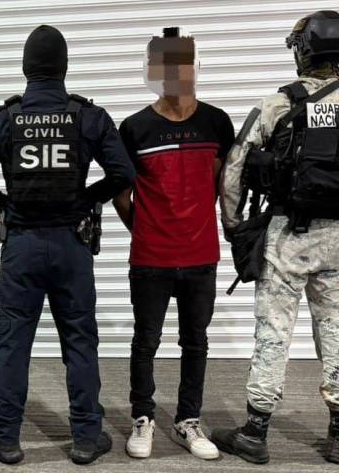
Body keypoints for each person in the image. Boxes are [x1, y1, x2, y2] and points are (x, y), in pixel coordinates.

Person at [0, 25, 136, 465]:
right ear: (64, 67)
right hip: (71, 244)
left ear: (26, 68)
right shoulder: (87, 116)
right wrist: (87, 199)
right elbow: (124, 174)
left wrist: (5, 205)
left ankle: (5, 438)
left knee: (13, 343)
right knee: (79, 341)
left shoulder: (5, 118)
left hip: (21, 244)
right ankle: (86, 438)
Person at [212, 10, 339, 465]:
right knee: (336, 329)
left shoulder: (278, 104)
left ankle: (255, 431)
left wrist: (233, 227)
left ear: (304, 51)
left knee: (274, 332)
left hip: (287, 235)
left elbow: (234, 168)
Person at [112, 27, 234, 460]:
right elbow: (121, 195)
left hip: (201, 256)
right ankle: (142, 417)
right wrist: (147, 230)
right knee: (145, 341)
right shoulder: (135, 128)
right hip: (151, 257)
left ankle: (187, 420)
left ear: (195, 67)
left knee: (195, 341)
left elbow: (221, 184)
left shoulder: (217, 123)